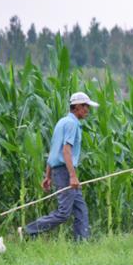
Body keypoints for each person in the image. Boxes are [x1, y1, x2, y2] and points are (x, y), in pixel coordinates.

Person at [21, 92, 99, 240]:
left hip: (60, 170)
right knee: (63, 213)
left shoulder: (62, 122)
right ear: (76, 107)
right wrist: (73, 176)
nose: (87, 110)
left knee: (81, 209)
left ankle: (82, 243)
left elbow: (53, 151)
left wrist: (48, 175)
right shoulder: (72, 124)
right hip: (65, 172)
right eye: (85, 106)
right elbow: (65, 151)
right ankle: (27, 231)